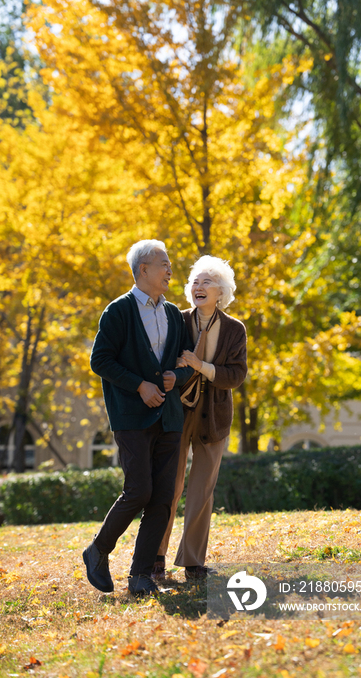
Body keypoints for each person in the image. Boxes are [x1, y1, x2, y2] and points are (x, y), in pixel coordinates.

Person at [83, 239, 194, 596]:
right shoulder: (118, 311)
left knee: (162, 496)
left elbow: (185, 362)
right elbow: (99, 360)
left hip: (170, 419)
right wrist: (140, 386)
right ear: (143, 269)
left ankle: (140, 575)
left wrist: (176, 378)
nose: (170, 270)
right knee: (139, 490)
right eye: (164, 264)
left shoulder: (175, 314)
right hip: (131, 417)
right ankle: (98, 550)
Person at [153, 255, 247, 581]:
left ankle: (193, 561)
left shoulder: (235, 330)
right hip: (177, 414)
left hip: (215, 418)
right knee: (169, 485)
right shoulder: (176, 320)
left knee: (201, 490)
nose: (198, 286)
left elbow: (235, 376)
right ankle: (156, 557)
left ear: (221, 291)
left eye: (206, 281)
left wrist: (200, 365)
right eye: (195, 281)